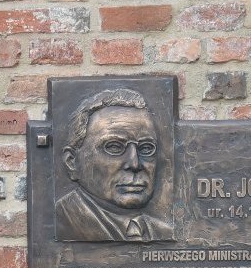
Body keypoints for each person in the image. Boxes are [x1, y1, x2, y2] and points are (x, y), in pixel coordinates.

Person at [54, 88, 175, 242]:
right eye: (114, 147)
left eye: (146, 148)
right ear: (72, 162)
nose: (135, 164)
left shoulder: (164, 232)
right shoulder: (61, 222)